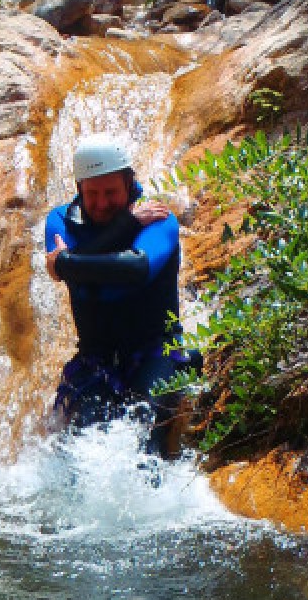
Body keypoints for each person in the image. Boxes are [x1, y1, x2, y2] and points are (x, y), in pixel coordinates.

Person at [44, 133, 196, 456]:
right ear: (78, 190)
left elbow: (134, 269)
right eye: (92, 194)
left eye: (111, 192)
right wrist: (125, 226)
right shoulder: (60, 221)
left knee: (146, 436)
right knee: (81, 451)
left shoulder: (158, 218)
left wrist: (67, 262)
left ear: (129, 183)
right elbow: (79, 274)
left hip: (156, 352)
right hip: (95, 361)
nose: (101, 203)